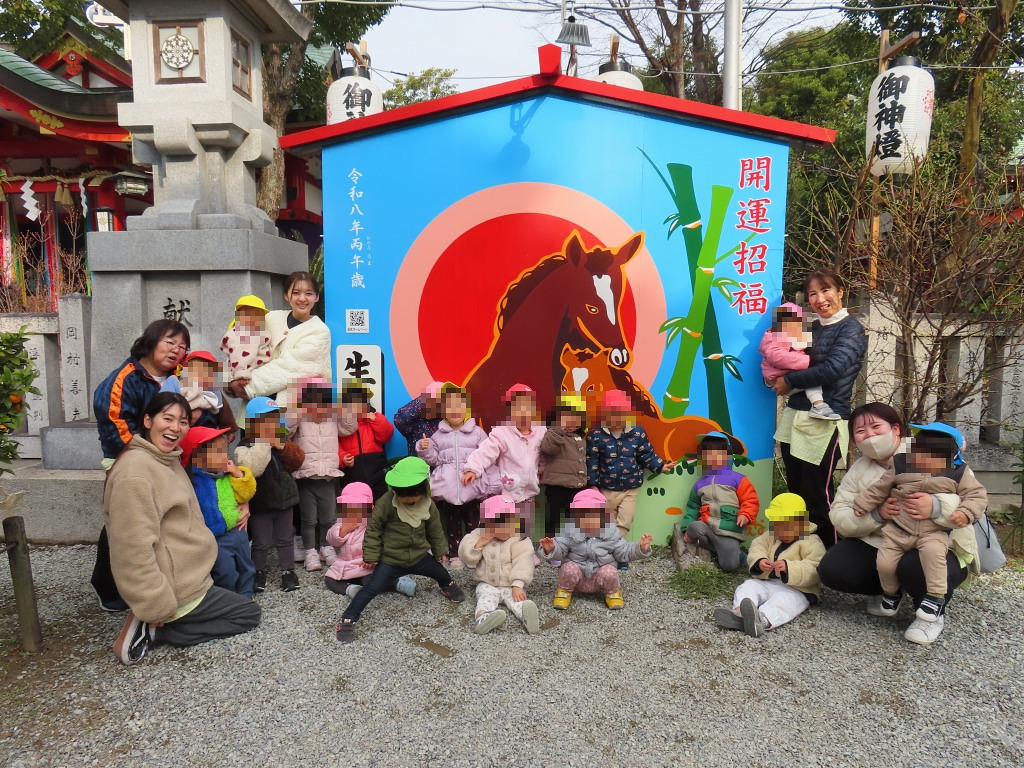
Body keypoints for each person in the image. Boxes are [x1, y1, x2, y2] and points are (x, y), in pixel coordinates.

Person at [106, 392, 260, 665]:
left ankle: (158, 622)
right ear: (148, 420)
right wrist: (155, 604)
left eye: (183, 421)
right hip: (175, 588)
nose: (175, 427)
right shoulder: (135, 473)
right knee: (248, 614)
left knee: (239, 592)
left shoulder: (166, 459)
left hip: (193, 574)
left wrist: (244, 502)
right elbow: (131, 548)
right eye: (167, 418)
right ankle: (156, 629)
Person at [817, 402, 981, 645]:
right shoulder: (859, 469)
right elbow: (840, 514)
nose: (869, 436)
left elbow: (972, 496)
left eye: (876, 427)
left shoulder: (930, 448)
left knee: (916, 563)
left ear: (895, 429)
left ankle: (931, 613)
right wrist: (877, 515)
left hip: (939, 539)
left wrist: (935, 506)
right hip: (890, 538)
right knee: (834, 567)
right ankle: (889, 591)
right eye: (860, 431)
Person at [92, 319, 191, 612]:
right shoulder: (126, 377)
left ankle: (165, 580)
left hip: (165, 459)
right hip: (128, 460)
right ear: (150, 341)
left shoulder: (174, 380)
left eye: (182, 346)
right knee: (125, 524)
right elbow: (114, 421)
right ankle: (108, 587)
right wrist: (141, 458)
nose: (176, 350)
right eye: (170, 342)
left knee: (162, 520)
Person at [854, 422, 987, 623]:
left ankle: (935, 596)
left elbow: (976, 495)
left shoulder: (958, 472)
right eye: (919, 453)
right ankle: (891, 593)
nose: (924, 460)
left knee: (934, 557)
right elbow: (880, 487)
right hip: (899, 529)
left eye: (934, 456)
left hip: (933, 531)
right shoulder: (901, 464)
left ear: (950, 457)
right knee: (884, 564)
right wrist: (863, 503)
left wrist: (966, 512)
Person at [772, 267, 866, 547]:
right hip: (796, 415)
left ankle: (828, 553)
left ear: (840, 291)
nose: (820, 299)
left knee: (817, 494)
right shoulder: (812, 328)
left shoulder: (852, 329)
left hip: (827, 419)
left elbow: (833, 369)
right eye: (813, 294)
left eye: (826, 291)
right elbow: (790, 357)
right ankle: (798, 550)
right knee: (795, 489)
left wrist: (789, 380)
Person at [335, 457, 466, 643]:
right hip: (391, 560)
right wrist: (371, 556)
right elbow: (374, 529)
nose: (407, 500)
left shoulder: (428, 504)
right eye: (402, 496)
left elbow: (435, 529)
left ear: (423, 489)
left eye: (412, 497)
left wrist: (439, 551)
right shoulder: (386, 503)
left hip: (419, 556)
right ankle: (348, 618)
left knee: (441, 573)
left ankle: (447, 586)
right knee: (371, 588)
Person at [713, 493, 825, 638]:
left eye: (786, 529)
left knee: (783, 602)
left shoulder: (811, 541)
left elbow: (815, 567)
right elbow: (757, 546)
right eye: (777, 527)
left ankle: (762, 619)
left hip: (797, 589)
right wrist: (759, 561)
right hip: (768, 581)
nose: (781, 533)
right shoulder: (771, 535)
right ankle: (740, 612)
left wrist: (789, 568)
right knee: (748, 586)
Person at [586, 389, 675, 565]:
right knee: (606, 521)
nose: (616, 419)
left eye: (620, 414)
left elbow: (646, 453)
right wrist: (593, 485)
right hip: (606, 488)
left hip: (630, 488)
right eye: (611, 414)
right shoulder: (596, 435)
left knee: (625, 520)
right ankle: (603, 553)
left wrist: (659, 466)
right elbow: (592, 461)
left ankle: (619, 553)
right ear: (604, 414)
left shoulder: (637, 433)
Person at [418, 383, 494, 569]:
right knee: (452, 525)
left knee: (474, 524)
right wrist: (424, 449)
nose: (455, 410)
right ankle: (455, 554)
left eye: (459, 406)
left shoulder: (478, 432)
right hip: (449, 490)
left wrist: (488, 482)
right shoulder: (438, 435)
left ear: (466, 409)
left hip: (472, 488)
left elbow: (486, 455)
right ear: (443, 411)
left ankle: (475, 553)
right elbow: (434, 460)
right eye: (450, 406)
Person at [230, 272, 331, 411]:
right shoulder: (270, 318)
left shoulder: (319, 331)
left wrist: (245, 387)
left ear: (317, 297)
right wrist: (231, 379)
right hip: (254, 405)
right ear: (286, 295)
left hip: (290, 409)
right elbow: (239, 342)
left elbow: (290, 366)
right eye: (296, 293)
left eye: (308, 293)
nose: (302, 298)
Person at [537, 488, 653, 610]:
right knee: (568, 568)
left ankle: (612, 593)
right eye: (583, 517)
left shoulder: (611, 533)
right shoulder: (570, 532)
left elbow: (623, 551)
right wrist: (551, 548)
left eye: (594, 516)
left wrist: (640, 548)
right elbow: (560, 549)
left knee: (610, 571)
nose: (589, 521)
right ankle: (564, 591)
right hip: (578, 575)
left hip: (599, 575)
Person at [235, 397, 305, 594]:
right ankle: (259, 571)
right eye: (264, 420)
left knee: (285, 538)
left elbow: (298, 461)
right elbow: (253, 468)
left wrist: (285, 448)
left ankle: (288, 571)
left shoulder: (282, 441)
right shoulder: (245, 445)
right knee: (261, 541)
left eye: (274, 419)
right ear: (252, 423)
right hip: (261, 503)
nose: (270, 424)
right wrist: (264, 443)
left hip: (285, 500)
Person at [178, 426, 257, 598]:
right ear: (197, 457)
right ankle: (229, 598)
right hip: (214, 538)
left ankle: (246, 595)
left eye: (225, 451)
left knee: (246, 566)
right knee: (225, 571)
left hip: (238, 529)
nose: (225, 456)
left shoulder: (227, 475)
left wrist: (238, 474)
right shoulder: (191, 482)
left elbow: (247, 492)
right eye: (219, 452)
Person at [289, 378, 350, 572]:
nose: (318, 408)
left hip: (328, 476)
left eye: (323, 403)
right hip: (306, 476)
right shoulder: (299, 418)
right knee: (308, 519)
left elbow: (350, 428)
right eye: (313, 403)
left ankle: (326, 547)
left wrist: (342, 409)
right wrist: (296, 412)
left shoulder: (333, 417)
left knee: (328, 518)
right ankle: (310, 552)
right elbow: (284, 432)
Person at [678, 431, 758, 573]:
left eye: (718, 454)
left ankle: (734, 554)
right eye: (708, 454)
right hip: (707, 529)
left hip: (728, 531)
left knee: (729, 566)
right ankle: (720, 549)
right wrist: (686, 529)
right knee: (693, 527)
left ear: (727, 456)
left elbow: (750, 500)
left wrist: (746, 514)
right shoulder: (700, 484)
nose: (712, 458)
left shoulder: (737, 479)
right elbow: (692, 507)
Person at [458, 495, 539, 635]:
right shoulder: (479, 535)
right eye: (504, 526)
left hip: (510, 584)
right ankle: (483, 617)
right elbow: (466, 556)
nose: (510, 529)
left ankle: (526, 615)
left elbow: (524, 561)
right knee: (485, 598)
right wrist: (479, 544)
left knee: (517, 600)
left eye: (513, 523)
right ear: (488, 524)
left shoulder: (519, 537)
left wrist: (517, 584)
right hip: (487, 583)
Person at [324, 482, 416, 598]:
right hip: (346, 565)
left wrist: (374, 559)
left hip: (367, 566)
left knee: (371, 580)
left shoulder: (374, 525)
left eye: (359, 508)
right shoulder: (342, 524)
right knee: (330, 579)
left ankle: (397, 582)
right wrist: (342, 531)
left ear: (370, 508)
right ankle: (351, 589)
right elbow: (332, 540)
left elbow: (384, 544)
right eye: (348, 507)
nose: (353, 512)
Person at [461, 384, 547, 506]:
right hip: (507, 495)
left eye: (527, 408)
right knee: (507, 518)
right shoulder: (502, 434)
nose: (523, 413)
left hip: (530, 495)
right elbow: (485, 451)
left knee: (527, 517)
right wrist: (473, 469)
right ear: (510, 413)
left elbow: (545, 454)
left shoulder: (540, 432)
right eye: (517, 409)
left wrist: (543, 470)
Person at [760, 302, 839, 420]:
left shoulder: (791, 336)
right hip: (777, 375)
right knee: (811, 380)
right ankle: (819, 405)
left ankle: (819, 405)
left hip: (786, 373)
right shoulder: (774, 337)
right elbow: (777, 357)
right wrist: (806, 361)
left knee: (813, 379)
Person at [539, 394, 589, 539]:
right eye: (566, 417)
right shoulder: (553, 433)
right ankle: (549, 545)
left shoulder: (580, 438)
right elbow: (548, 449)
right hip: (556, 487)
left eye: (576, 418)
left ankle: (571, 546)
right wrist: (558, 430)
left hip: (575, 488)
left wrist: (584, 482)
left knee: (573, 521)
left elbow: (582, 461)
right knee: (553, 519)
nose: (571, 422)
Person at [337, 381, 394, 501]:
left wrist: (375, 419)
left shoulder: (373, 418)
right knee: (355, 502)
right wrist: (342, 458)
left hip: (376, 467)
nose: (357, 406)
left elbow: (386, 436)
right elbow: (334, 445)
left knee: (381, 499)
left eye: (361, 402)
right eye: (352, 403)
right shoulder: (340, 424)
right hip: (352, 471)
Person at [220, 294, 272, 383]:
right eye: (248, 314)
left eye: (257, 315)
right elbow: (238, 355)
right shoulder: (240, 332)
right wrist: (241, 374)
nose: (252, 318)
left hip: (261, 371)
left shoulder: (261, 331)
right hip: (244, 374)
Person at [177, 350, 234, 430]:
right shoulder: (178, 382)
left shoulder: (212, 388)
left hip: (205, 425)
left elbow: (223, 409)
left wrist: (229, 428)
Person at [394, 381, 445, 456]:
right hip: (418, 461)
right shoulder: (416, 421)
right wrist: (421, 402)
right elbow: (400, 420)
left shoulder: (445, 421)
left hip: (441, 461)